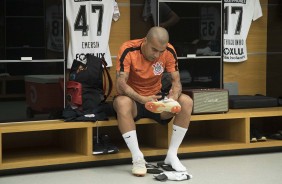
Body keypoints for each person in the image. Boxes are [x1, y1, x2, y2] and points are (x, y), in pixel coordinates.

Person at [113, 26, 193, 176]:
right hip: (134, 101)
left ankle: (172, 155)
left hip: (156, 101)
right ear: (145, 41)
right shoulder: (128, 49)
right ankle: (137, 158)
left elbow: (176, 82)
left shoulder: (168, 50)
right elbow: (120, 84)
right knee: (121, 103)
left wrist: (173, 98)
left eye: (161, 51)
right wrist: (141, 99)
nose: (157, 55)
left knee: (186, 101)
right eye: (154, 49)